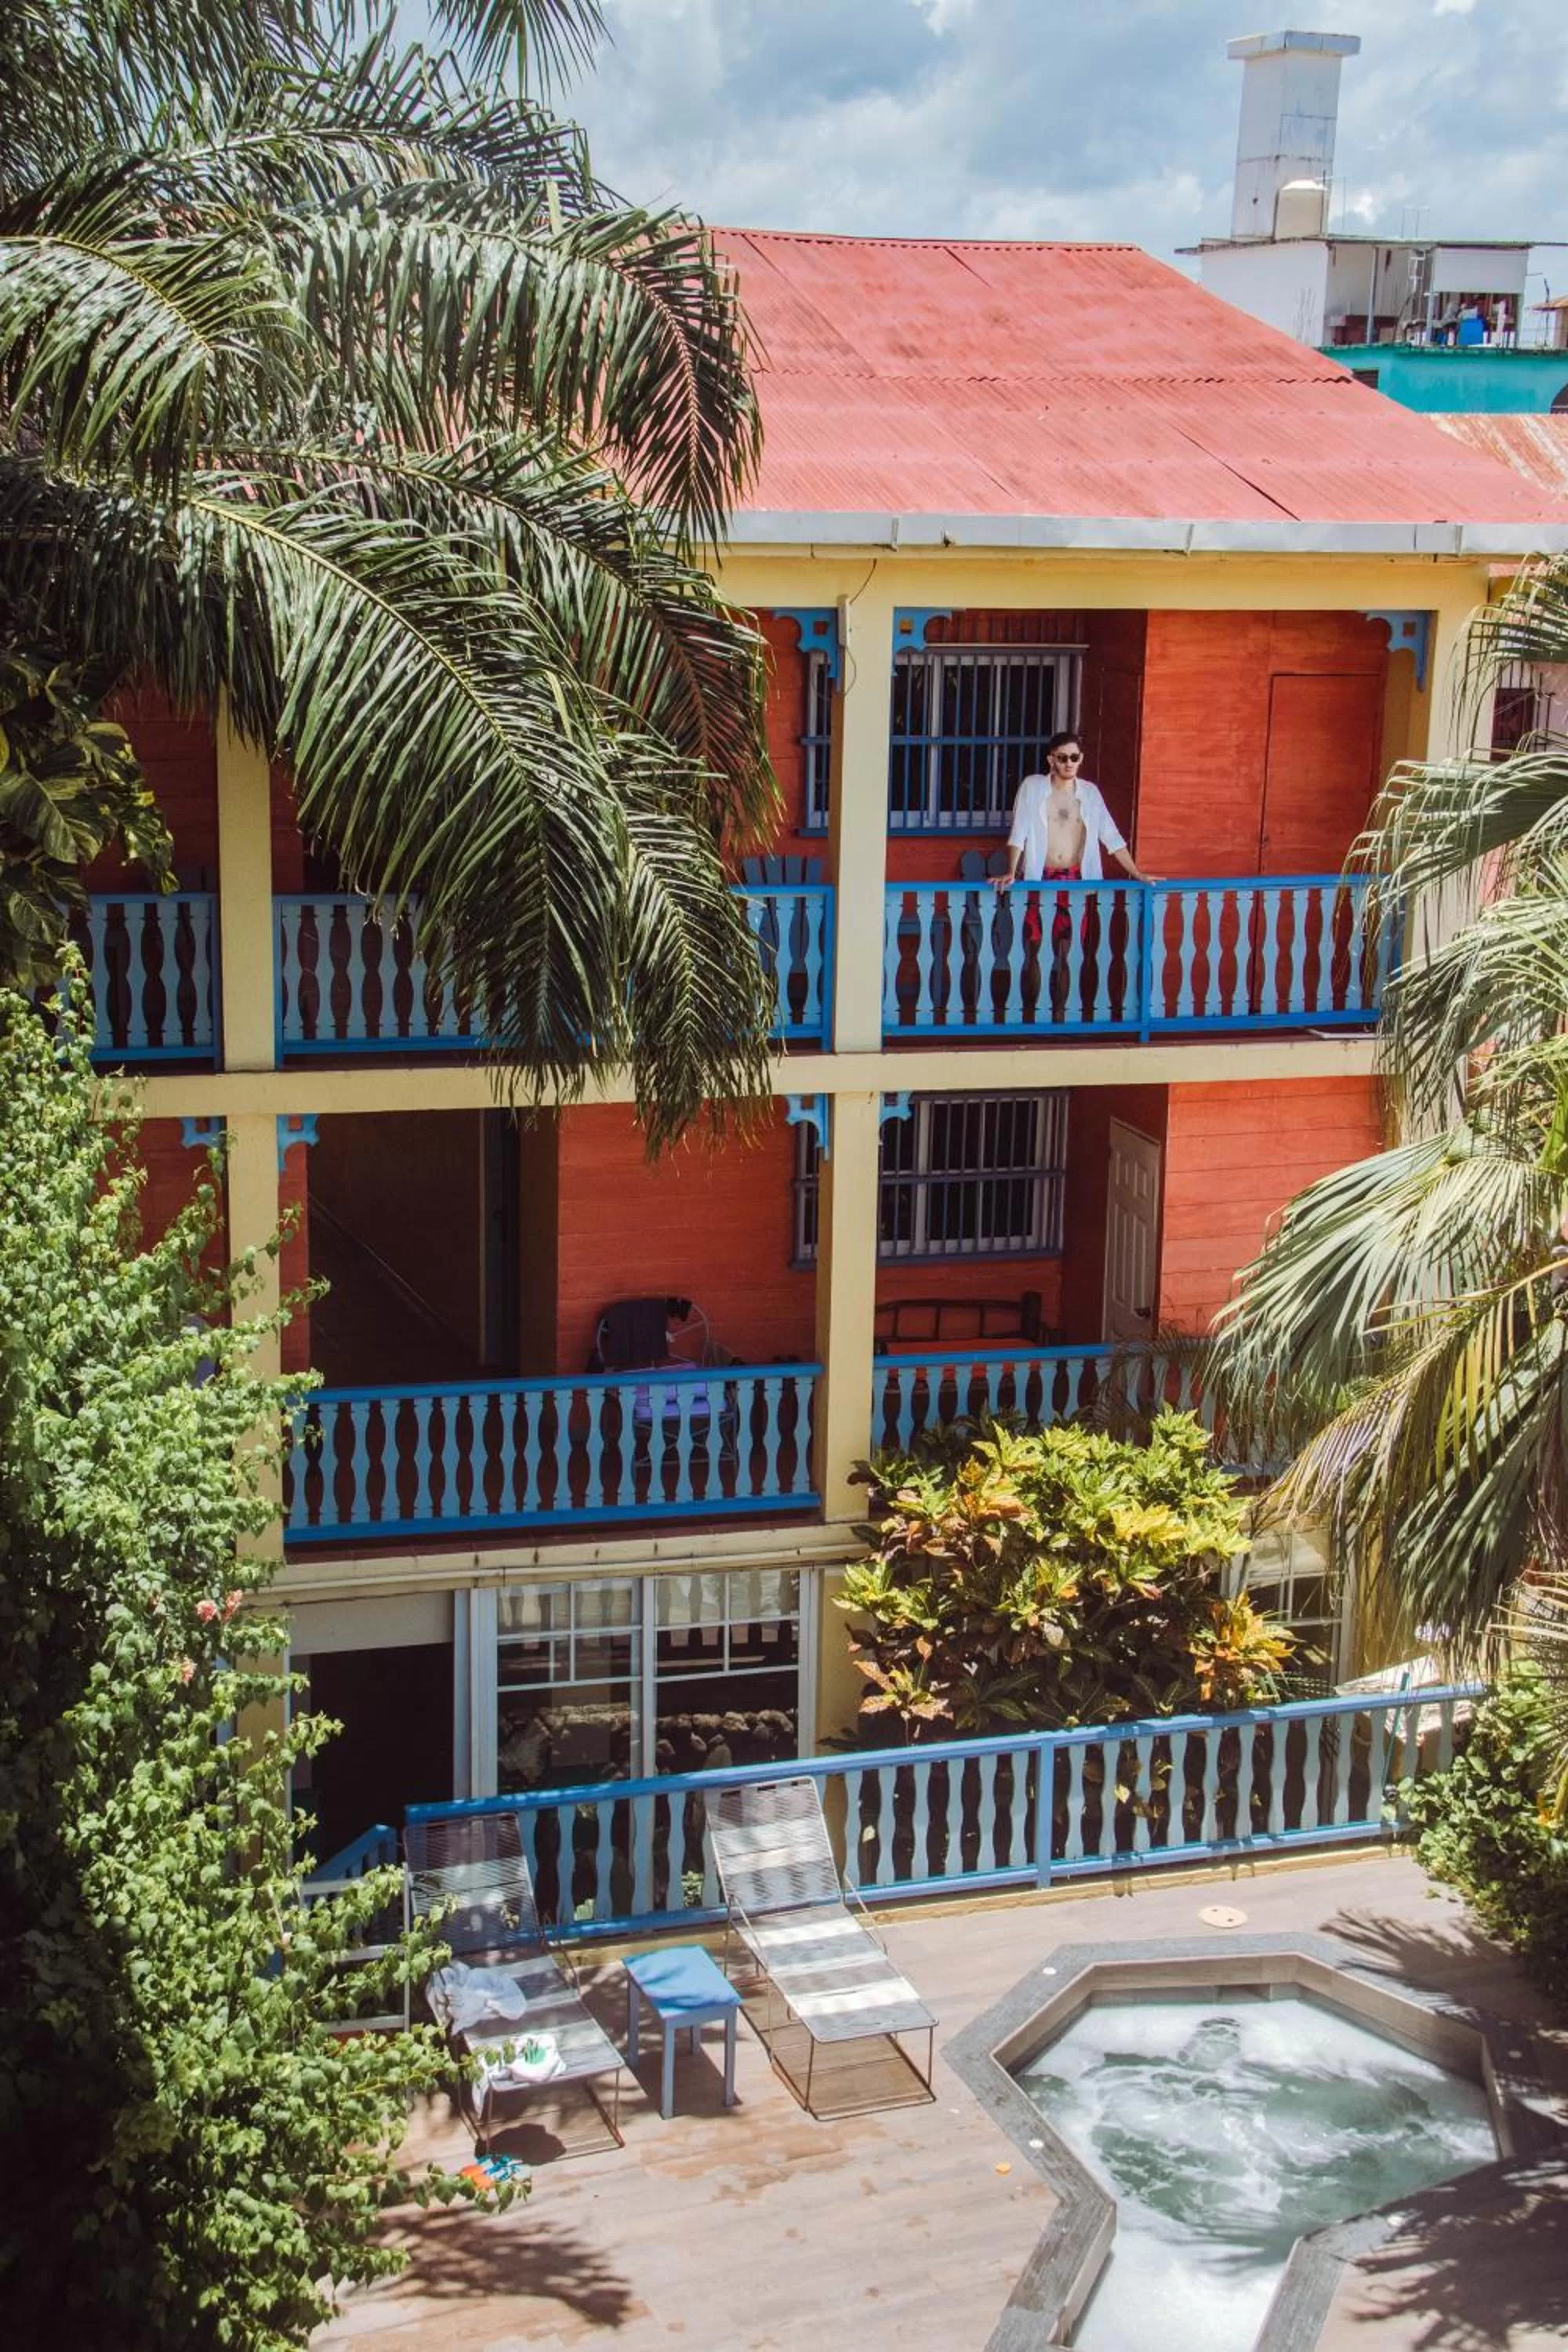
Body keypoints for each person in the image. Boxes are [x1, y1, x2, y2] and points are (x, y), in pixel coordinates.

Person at [990, 731, 1158, 891]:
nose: (1069, 763)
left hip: (1077, 877)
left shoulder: (1090, 793)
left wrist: (1136, 873)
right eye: (1062, 758)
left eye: (1074, 757)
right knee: (1038, 921)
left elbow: (1111, 836)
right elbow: (1019, 833)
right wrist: (1011, 871)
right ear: (1051, 760)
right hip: (1039, 875)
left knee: (1076, 922)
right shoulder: (1033, 787)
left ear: (1081, 759)